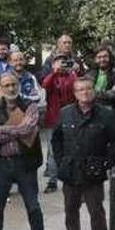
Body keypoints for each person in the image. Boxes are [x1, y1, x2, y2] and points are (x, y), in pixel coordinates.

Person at [52, 78, 115, 230]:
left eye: (88, 88)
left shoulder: (106, 115)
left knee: (96, 212)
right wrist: (61, 162)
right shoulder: (65, 113)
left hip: (93, 172)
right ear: (75, 93)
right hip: (70, 170)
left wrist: (107, 163)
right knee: (70, 210)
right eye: (80, 89)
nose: (85, 92)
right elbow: (56, 140)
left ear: (94, 91)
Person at [0, 73, 48, 230]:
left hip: (24, 164)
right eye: (6, 85)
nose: (11, 88)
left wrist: (3, 129)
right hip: (1, 165)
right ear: (0, 88)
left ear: (18, 85)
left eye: (13, 84)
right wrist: (16, 130)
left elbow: (29, 128)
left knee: (33, 206)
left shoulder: (30, 106)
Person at [40, 54, 78, 195]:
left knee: (72, 148)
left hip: (70, 117)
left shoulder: (72, 75)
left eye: (65, 63)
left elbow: (77, 90)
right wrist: (54, 72)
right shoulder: (51, 77)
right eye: (59, 63)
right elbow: (45, 86)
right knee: (52, 151)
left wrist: (73, 71)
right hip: (53, 118)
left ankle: (72, 177)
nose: (63, 66)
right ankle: (52, 180)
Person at [84, 45, 115, 129]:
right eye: (99, 57)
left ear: (110, 58)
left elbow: (114, 95)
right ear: (95, 59)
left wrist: (95, 93)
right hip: (92, 113)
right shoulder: (90, 73)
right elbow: (85, 93)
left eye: (105, 56)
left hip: (113, 112)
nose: (102, 59)